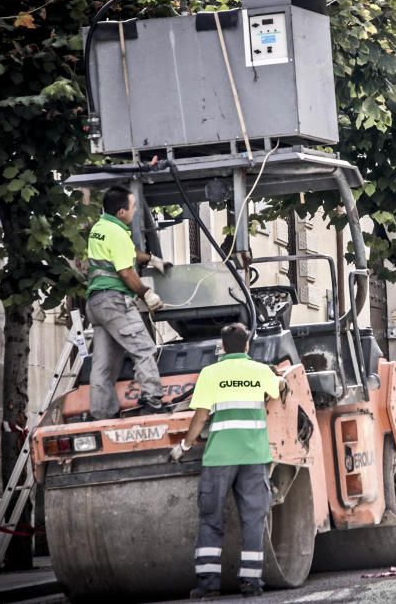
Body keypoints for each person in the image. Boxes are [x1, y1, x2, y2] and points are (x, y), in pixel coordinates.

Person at [171, 322, 282, 599]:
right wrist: (279, 379)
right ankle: (251, 582)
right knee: (254, 519)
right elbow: (278, 388)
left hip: (220, 457)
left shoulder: (210, 373)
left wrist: (183, 446)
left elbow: (200, 416)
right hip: (254, 457)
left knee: (211, 518)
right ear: (247, 345)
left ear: (222, 347)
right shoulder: (261, 371)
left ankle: (208, 584)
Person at [86, 185, 170, 418]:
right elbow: (125, 271)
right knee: (144, 348)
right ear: (121, 212)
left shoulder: (100, 229)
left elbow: (128, 253)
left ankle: (101, 413)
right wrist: (146, 294)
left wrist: (151, 258)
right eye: (133, 207)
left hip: (97, 304)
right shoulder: (117, 233)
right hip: (115, 303)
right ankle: (152, 400)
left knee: (103, 364)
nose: (134, 212)